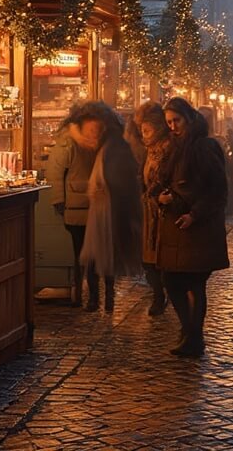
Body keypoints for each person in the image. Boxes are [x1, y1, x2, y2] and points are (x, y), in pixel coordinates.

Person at [157, 97, 230, 357]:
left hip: (198, 228)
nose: (173, 126)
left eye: (176, 121)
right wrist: (161, 197)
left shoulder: (204, 147)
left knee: (194, 282)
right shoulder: (174, 146)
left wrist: (195, 214)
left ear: (189, 119)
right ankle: (190, 332)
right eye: (168, 122)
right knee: (172, 280)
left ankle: (193, 336)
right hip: (175, 227)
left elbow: (217, 189)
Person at [77, 102, 142, 313]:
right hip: (102, 208)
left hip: (108, 209)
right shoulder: (108, 146)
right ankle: (101, 299)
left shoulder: (114, 147)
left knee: (104, 254)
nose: (91, 135)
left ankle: (104, 299)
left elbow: (120, 181)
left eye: (95, 130)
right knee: (98, 255)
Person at [47, 104, 102, 309]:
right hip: (77, 207)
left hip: (94, 206)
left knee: (90, 255)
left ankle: (91, 295)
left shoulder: (101, 141)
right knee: (81, 254)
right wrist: (59, 200)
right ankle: (82, 294)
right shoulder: (69, 142)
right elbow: (55, 172)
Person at [136, 102, 171, 316]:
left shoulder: (168, 148)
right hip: (149, 212)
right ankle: (158, 294)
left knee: (161, 258)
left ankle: (162, 296)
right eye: (141, 129)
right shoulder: (149, 150)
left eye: (147, 130)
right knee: (148, 260)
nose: (144, 134)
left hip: (164, 212)